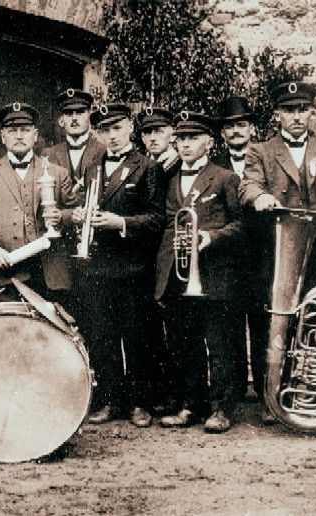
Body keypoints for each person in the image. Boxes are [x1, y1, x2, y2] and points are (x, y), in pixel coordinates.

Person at [239, 82, 316, 422]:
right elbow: (248, 183)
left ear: (310, 112)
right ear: (278, 115)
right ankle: (273, 398)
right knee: (281, 320)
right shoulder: (261, 150)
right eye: (289, 110)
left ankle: (314, 392)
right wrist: (260, 197)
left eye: (302, 109)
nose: (297, 117)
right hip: (282, 250)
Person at [73, 103, 164, 428]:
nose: (111, 136)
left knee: (136, 337)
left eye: (116, 128)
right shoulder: (91, 165)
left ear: (129, 127)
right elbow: (83, 203)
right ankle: (110, 400)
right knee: (102, 336)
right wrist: (81, 216)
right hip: (97, 268)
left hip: (132, 269)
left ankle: (140, 402)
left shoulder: (146, 166)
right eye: (105, 130)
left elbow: (156, 219)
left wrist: (119, 222)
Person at [156, 111, 245, 433]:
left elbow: (241, 225)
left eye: (193, 138)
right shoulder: (169, 179)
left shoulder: (224, 178)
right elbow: (168, 223)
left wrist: (210, 237)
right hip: (180, 275)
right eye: (181, 138)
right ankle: (191, 405)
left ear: (209, 142)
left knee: (219, 344)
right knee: (184, 343)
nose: (186, 144)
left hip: (214, 273)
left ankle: (222, 409)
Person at [0, 102, 75, 304]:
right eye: (12, 130)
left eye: (25, 130)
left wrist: (61, 217)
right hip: (3, 274)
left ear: (35, 134)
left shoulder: (58, 173)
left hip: (48, 274)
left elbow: (75, 214)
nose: (19, 135)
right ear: (2, 136)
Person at [214, 96, 269, 409]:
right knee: (230, 328)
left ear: (252, 128)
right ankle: (232, 395)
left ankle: (265, 396)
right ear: (222, 133)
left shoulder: (265, 159)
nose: (236, 131)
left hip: (261, 256)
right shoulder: (215, 165)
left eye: (241, 125)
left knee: (262, 326)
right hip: (227, 258)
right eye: (230, 126)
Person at [137, 105, 179, 414]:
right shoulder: (143, 165)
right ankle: (155, 391)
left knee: (175, 324)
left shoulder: (178, 165)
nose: (153, 137)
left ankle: (175, 393)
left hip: (171, 251)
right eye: (147, 133)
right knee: (148, 326)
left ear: (172, 134)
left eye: (159, 131)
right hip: (143, 255)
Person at [43, 88, 104, 190]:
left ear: (89, 117)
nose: (74, 118)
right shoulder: (48, 155)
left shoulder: (103, 151)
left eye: (80, 112)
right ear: (61, 121)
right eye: (68, 113)